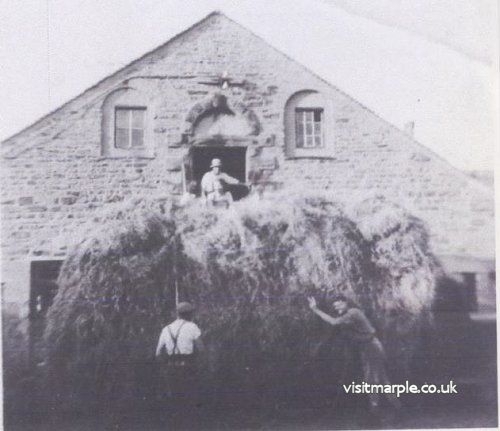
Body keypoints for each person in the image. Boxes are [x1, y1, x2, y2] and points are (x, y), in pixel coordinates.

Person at [307, 295, 401, 418]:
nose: (337, 308)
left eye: (339, 305)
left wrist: (315, 309)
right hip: (369, 347)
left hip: (371, 347)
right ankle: (398, 407)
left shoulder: (353, 312)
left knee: (372, 380)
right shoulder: (348, 317)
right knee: (382, 380)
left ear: (345, 302)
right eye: (335, 307)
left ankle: (375, 410)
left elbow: (334, 322)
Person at [155, 301, 204, 417]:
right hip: (188, 367)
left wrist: (164, 367)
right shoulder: (192, 327)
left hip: (171, 368)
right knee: (188, 397)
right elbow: (201, 349)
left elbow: (157, 353)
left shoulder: (166, 329)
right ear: (189, 314)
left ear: (177, 314)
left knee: (174, 397)